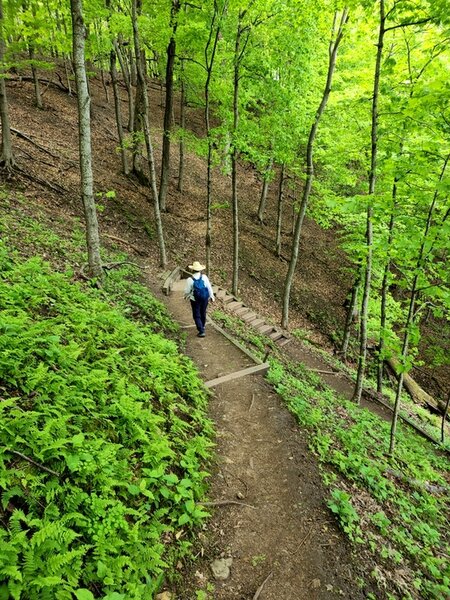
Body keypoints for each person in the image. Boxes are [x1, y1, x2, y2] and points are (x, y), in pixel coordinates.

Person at [184, 261, 215, 337]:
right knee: (203, 312)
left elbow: (187, 291)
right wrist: (212, 296)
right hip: (205, 298)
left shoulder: (190, 279)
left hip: (195, 299)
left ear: (192, 270)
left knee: (196, 314)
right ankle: (203, 326)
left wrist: (185, 296)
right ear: (200, 270)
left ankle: (201, 330)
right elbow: (209, 287)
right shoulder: (204, 277)